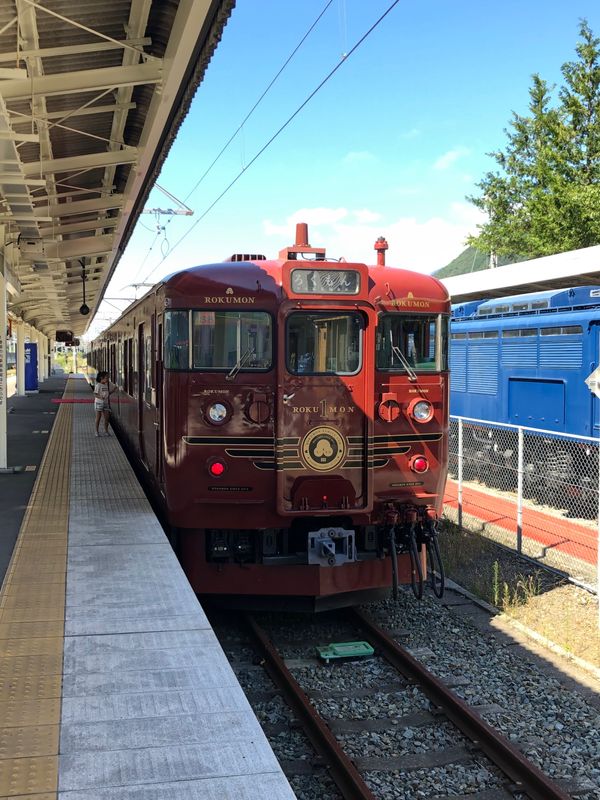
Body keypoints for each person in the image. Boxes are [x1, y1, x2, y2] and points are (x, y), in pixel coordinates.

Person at [94, 371, 116, 437]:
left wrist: (114, 390)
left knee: (107, 418)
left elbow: (107, 394)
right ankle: (96, 431)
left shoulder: (106, 385)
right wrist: (101, 397)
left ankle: (106, 431)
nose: (107, 379)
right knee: (98, 417)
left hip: (105, 403)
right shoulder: (98, 385)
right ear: (101, 378)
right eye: (106, 378)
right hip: (99, 403)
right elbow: (95, 394)